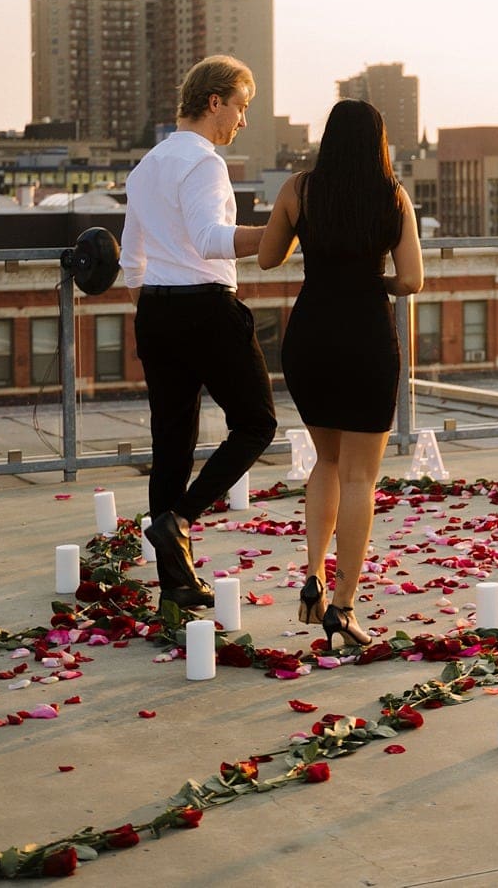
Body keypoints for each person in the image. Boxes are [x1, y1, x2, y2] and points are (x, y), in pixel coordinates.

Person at [257, 99, 423, 650]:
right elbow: (412, 280)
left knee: (325, 461)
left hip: (311, 338)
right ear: (378, 142)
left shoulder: (298, 190)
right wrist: (376, 283)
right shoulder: (393, 196)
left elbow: (267, 257)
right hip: (366, 339)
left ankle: (313, 576)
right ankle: (344, 606)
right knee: (359, 479)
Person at [120, 55, 278, 609]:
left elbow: (132, 260)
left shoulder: (146, 166)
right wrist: (281, 230)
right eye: (241, 107)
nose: (243, 120)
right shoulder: (205, 163)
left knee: (172, 443)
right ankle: (180, 519)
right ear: (215, 102)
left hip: (156, 312)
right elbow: (212, 240)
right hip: (206, 309)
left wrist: (155, 308)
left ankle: (176, 584)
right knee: (257, 423)